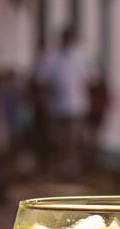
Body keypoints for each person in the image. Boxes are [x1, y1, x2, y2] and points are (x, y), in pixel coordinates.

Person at [36, 29, 92, 178]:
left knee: (73, 141)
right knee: (57, 141)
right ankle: (59, 170)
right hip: (57, 107)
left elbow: (91, 79)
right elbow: (42, 80)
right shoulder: (52, 57)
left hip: (76, 106)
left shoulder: (80, 56)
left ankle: (72, 171)